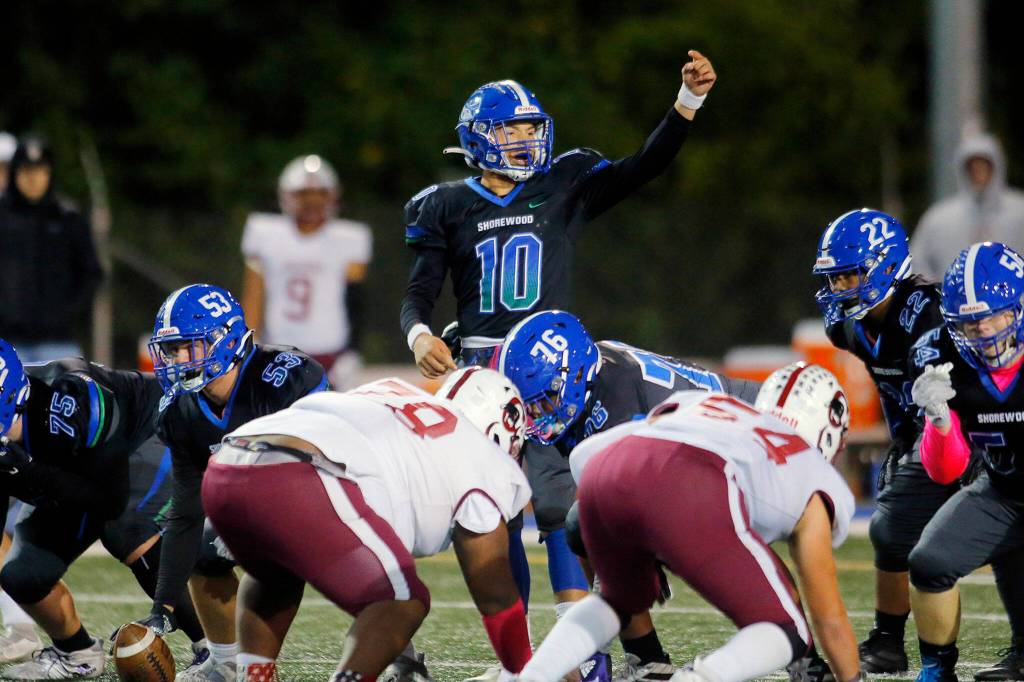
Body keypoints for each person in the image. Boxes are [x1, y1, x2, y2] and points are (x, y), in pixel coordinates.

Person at [400, 53, 716, 682]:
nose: (525, 139)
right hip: (480, 380)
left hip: (551, 375)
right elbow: (420, 287)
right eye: (510, 130)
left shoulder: (564, 181)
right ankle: (520, 657)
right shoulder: (443, 205)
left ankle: (590, 655)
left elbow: (642, 167)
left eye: (529, 128)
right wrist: (416, 333)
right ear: (476, 137)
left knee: (559, 507)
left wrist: (686, 103)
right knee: (489, 516)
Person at [517, 362, 860, 682]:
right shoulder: (809, 470)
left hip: (602, 472)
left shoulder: (706, 404)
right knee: (789, 630)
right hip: (691, 487)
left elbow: (599, 458)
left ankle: (534, 676)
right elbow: (829, 620)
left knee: (619, 601)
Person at [201, 368, 532, 682]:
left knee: (276, 572)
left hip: (227, 464)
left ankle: (253, 675)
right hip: (297, 473)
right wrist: (528, 671)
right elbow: (494, 590)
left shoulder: (393, 394)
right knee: (404, 600)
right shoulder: (478, 454)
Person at [496, 309, 760, 681]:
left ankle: (803, 655)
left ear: (572, 375)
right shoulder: (588, 389)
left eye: (543, 402)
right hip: (694, 457)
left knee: (601, 532)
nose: (538, 417)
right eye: (531, 407)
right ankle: (648, 661)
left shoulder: (615, 394)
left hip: (747, 438)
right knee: (585, 525)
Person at [136, 283, 326, 682]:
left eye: (190, 346)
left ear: (225, 339)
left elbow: (329, 461)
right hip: (261, 508)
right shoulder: (179, 411)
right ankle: (226, 661)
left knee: (351, 571)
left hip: (329, 496)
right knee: (203, 549)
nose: (177, 360)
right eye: (172, 350)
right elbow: (186, 511)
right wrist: (163, 607)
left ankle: (401, 654)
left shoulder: (284, 379)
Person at [0, 340, 206, 679]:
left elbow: (107, 497)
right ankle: (76, 653)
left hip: (144, 435)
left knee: (124, 527)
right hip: (72, 476)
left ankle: (212, 645)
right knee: (21, 576)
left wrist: (28, 472)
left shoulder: (69, 399)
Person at [812, 208, 957, 674]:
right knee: (892, 531)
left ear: (885, 264)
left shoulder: (926, 310)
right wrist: (903, 440)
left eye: (851, 276)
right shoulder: (849, 326)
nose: (840, 290)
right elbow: (889, 384)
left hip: (964, 432)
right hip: (921, 436)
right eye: (834, 279)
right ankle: (889, 640)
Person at [907, 241, 1024, 682]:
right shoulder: (940, 357)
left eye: (995, 315)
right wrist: (938, 422)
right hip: (1003, 490)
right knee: (930, 560)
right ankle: (938, 669)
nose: (986, 331)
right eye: (970, 323)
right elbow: (946, 470)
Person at [240, 154, 372, 390]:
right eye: (303, 194)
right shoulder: (265, 234)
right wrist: (249, 342)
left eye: (319, 194)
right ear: (285, 195)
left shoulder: (349, 238)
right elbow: (254, 293)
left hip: (330, 353)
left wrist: (352, 351)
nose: (312, 202)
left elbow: (356, 301)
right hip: (277, 351)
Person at [0, 135, 103, 363]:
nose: (33, 179)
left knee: (68, 396)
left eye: (40, 171)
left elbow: (91, 273)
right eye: (26, 171)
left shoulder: (67, 218)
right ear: (15, 173)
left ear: (50, 174)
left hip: (58, 341)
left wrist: (65, 312)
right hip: (6, 342)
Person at [911, 133, 1024, 282]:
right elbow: (918, 262)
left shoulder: (1019, 211)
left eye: (984, 165)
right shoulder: (938, 218)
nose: (979, 173)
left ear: (996, 167)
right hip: (954, 303)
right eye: (973, 167)